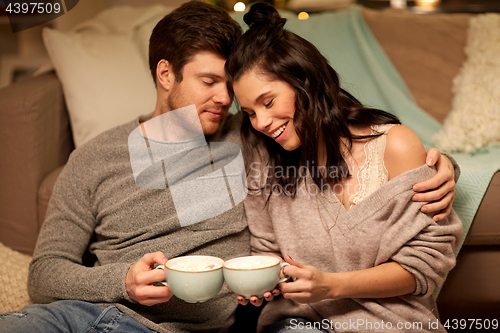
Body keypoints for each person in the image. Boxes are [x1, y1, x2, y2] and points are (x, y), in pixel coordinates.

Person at [0, 1, 456, 332]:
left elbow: (336, 136)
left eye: (231, 88)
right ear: (166, 75)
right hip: (73, 317)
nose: (225, 99)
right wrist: (122, 281)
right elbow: (43, 274)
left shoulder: (251, 137)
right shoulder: (94, 158)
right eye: (208, 81)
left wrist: (439, 166)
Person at [224, 3, 462, 333]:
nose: (261, 122)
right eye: (250, 112)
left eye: (268, 102)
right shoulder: (263, 157)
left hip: (393, 325)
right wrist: (261, 279)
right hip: (300, 324)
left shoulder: (395, 146)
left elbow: (424, 267)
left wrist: (332, 285)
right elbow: (268, 252)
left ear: (306, 82)